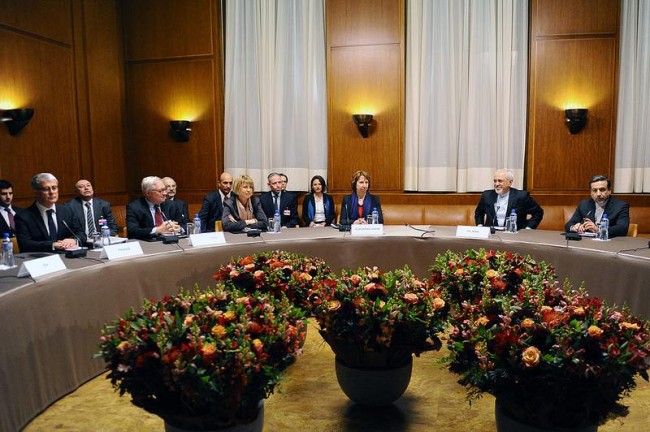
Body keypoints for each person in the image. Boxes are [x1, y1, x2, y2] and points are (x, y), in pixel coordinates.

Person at [15, 173, 86, 252]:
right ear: (36, 191)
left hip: (67, 257)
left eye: (54, 188)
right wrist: (53, 245)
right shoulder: (23, 216)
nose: (51, 192)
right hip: (39, 259)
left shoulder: (67, 211)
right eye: (46, 189)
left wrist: (73, 240)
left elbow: (81, 234)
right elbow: (24, 244)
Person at [474, 169, 544, 229]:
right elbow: (479, 213)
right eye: (495, 181)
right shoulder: (487, 195)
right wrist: (480, 227)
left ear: (510, 182)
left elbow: (538, 212)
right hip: (491, 235)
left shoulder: (521, 196)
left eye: (500, 181)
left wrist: (528, 229)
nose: (496, 184)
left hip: (514, 235)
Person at [565, 174, 630, 238]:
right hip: (586, 243)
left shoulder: (620, 206)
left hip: (609, 244)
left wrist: (598, 229)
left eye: (602, 190)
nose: (598, 194)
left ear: (609, 191)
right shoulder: (584, 204)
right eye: (595, 190)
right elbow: (568, 225)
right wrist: (575, 227)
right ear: (591, 192)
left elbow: (622, 229)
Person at [126, 176, 183, 240]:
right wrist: (157, 230)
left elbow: (184, 224)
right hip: (147, 245)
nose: (165, 193)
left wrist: (179, 228)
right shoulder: (135, 207)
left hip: (171, 243)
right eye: (160, 191)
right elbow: (132, 231)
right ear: (148, 193)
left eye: (164, 189)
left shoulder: (171, 205)